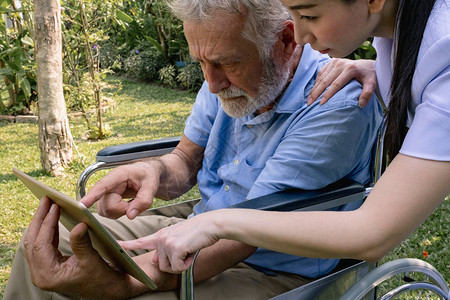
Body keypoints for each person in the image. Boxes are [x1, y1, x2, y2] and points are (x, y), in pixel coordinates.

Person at [4, 0, 383, 299]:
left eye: (226, 62)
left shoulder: (336, 104)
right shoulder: (219, 73)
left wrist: (130, 284)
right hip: (196, 226)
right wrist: (153, 171)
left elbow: (247, 235)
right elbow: (185, 159)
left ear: (285, 40)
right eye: (202, 61)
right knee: (44, 242)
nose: (212, 84)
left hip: (274, 268)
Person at [116, 0, 450, 277]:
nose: (299, 37)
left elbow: (373, 233)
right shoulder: (393, 37)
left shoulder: (442, 52)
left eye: (308, 15)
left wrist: (219, 222)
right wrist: (378, 68)